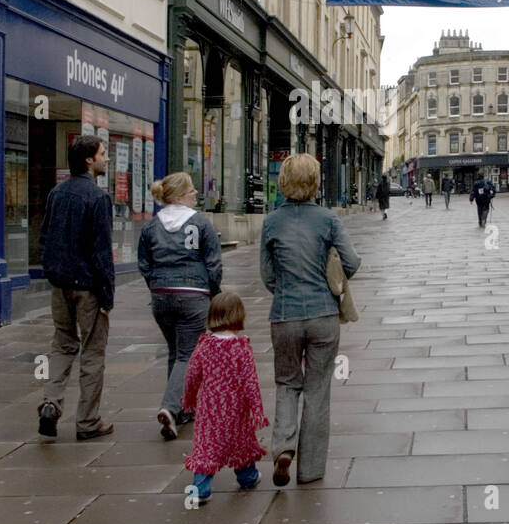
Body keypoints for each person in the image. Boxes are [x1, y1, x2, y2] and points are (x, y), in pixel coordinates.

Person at [260, 154, 360, 487]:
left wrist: (286, 289)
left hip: (285, 314)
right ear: (315, 181)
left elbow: (267, 276)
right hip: (323, 316)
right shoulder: (328, 220)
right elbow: (353, 261)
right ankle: (311, 469)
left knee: (287, 383)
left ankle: (283, 449)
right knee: (318, 390)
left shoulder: (272, 222)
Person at [37, 135, 116, 441]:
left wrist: (52, 273)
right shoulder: (97, 198)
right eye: (103, 154)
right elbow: (101, 252)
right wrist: (107, 295)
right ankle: (88, 421)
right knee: (92, 353)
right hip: (88, 286)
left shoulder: (57, 193)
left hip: (60, 284)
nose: (106, 159)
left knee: (62, 344)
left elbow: (44, 238)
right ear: (89, 161)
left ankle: (51, 402)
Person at [138, 171, 223, 441]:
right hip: (193, 294)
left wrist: (156, 284)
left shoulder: (151, 226)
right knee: (188, 354)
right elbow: (213, 263)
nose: (196, 193)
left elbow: (144, 263)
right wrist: (213, 293)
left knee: (176, 352)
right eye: (191, 190)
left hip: (161, 296)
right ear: (178, 196)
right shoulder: (200, 223)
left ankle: (184, 408)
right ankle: (171, 408)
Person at [180, 292, 268, 504]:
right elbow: (250, 381)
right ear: (239, 316)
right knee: (241, 443)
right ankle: (248, 477)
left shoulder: (204, 345)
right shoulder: (241, 346)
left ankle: (200, 489)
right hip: (236, 407)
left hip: (209, 407)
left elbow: (192, 373)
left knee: (206, 447)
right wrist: (257, 410)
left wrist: (189, 398)